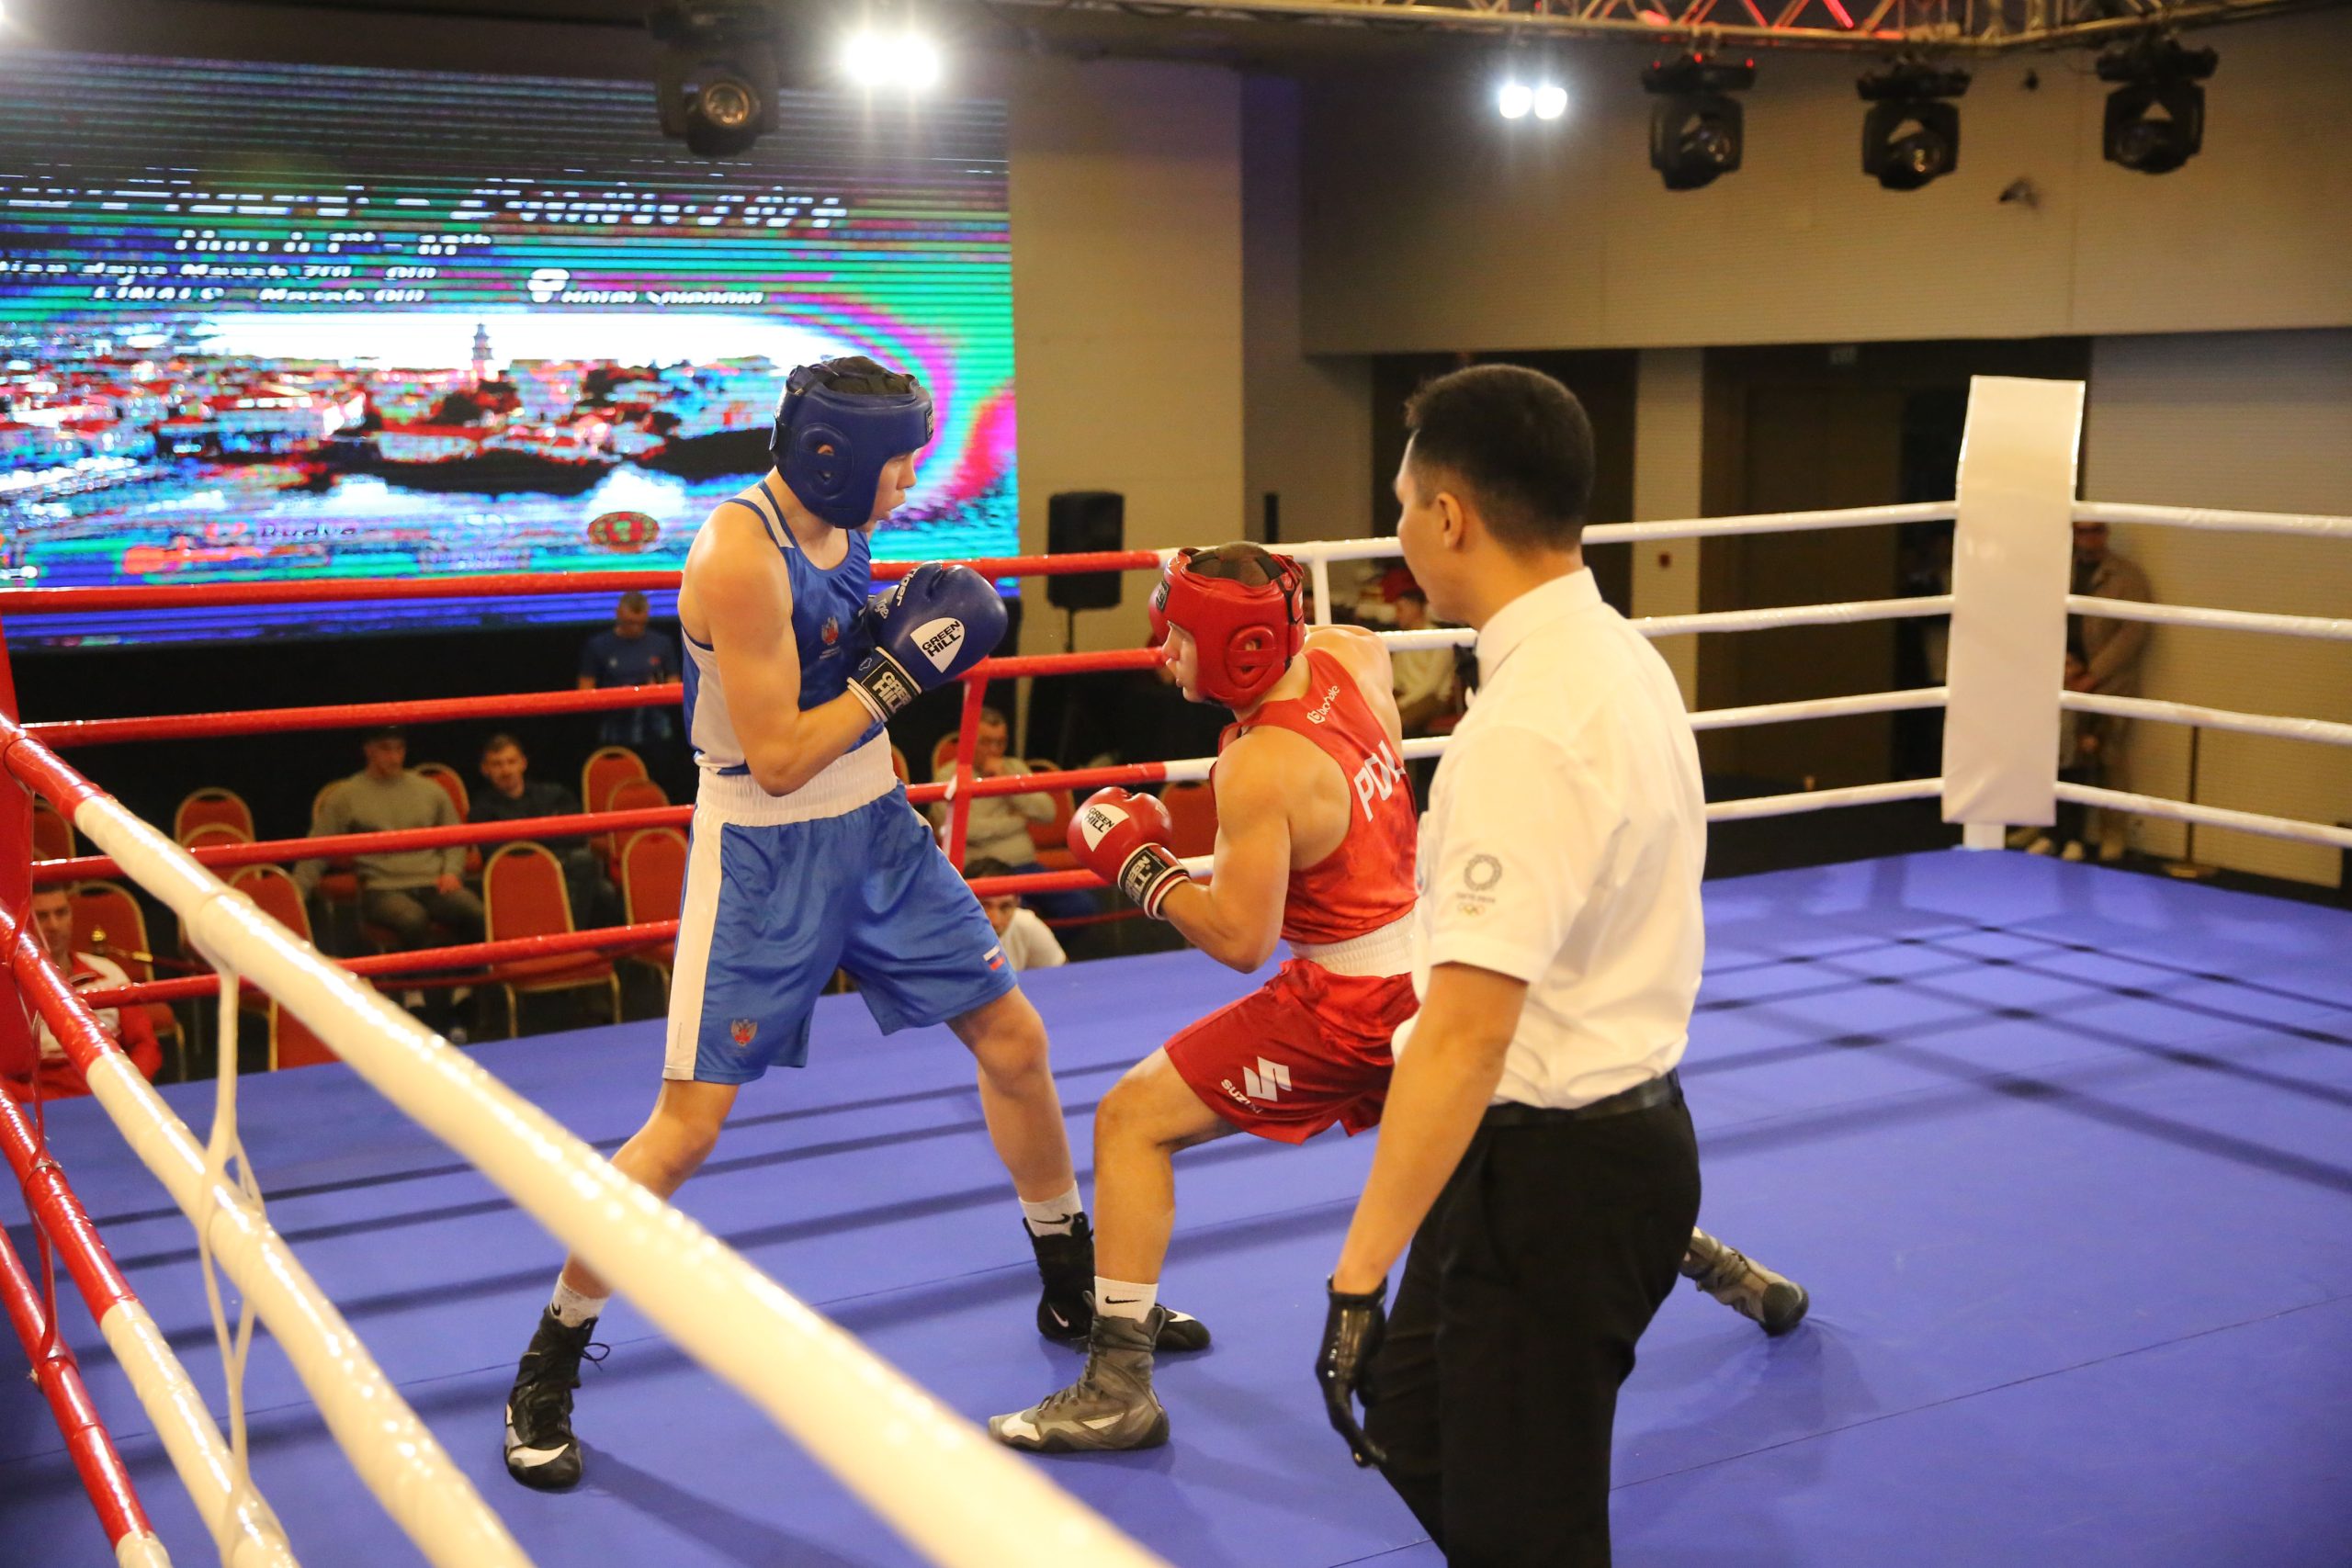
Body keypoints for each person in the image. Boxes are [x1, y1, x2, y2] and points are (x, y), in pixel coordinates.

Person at [500, 355, 1194, 1492]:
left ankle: (1070, 1288)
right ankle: (549, 1361)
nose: (910, 479)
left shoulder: (843, 522)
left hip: (875, 826)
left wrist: (882, 642)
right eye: (897, 460)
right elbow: (776, 757)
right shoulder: (737, 555)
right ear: (836, 455)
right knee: (686, 1128)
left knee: (1015, 1042)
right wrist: (898, 673)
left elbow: (835, 670)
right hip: (766, 853)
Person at [991, 543, 1800, 1459]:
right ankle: (1730, 1271)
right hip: (1430, 969)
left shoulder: (1258, 766)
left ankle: (1116, 1389)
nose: (1161, 654)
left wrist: (1141, 867)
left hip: (1342, 1005)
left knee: (1131, 1120)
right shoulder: (1352, 652)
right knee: (1514, 1154)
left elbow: (1239, 940)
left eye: (1176, 638)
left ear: (1236, 651)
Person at [1316, 365, 1733, 1566]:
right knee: (1411, 1416)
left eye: (1403, 507)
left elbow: (1465, 1034)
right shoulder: (1619, 657)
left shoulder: (1533, 723)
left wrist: (1356, 1276)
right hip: (1551, 1151)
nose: (1397, 533)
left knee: (1526, 1530)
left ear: (1450, 516)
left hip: (1559, 1170)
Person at [295, 726, 484, 952]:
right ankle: (420, 975)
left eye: (399, 749)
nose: (394, 757)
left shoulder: (430, 790)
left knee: (475, 912)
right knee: (413, 920)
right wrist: (294, 896)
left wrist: (452, 871)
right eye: (386, 749)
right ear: (369, 750)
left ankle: (471, 972)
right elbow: (317, 847)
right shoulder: (346, 796)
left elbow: (454, 835)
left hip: (432, 882)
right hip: (381, 888)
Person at [926, 706, 1091, 922]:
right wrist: (1018, 820)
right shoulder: (947, 776)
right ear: (968, 739)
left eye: (1000, 742)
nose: (994, 750)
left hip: (1025, 865)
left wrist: (1005, 782)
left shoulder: (1014, 767)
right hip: (983, 871)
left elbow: (1048, 813)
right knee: (1013, 918)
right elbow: (967, 830)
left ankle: (1040, 945)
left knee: (1082, 906)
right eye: (986, 742)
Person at [5, 886, 162, 1100]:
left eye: (61, 913)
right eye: (41, 917)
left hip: (115, 1094)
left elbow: (145, 1044)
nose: (54, 925)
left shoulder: (108, 972)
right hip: (43, 1104)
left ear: (71, 917)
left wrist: (128, 1092)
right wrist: (37, 1102)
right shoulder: (7, 988)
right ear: (23, 923)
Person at [2065, 518, 2153, 862]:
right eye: (2082, 531)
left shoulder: (2127, 576)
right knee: (2059, 755)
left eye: (2095, 530)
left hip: (2110, 682)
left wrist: (2094, 675)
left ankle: (2112, 833)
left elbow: (2132, 633)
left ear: (2106, 533)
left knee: (2109, 756)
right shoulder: (2060, 569)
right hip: (2066, 675)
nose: (2089, 538)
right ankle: (2051, 828)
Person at [469, 733, 624, 927]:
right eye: (497, 764)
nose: (506, 770)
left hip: (562, 866)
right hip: (517, 874)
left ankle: (572, 936)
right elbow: (495, 853)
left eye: (511, 762)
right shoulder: (481, 809)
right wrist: (547, 832)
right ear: (485, 769)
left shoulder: (553, 794)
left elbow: (577, 834)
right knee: (595, 881)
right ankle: (568, 936)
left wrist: (524, 836)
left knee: (600, 886)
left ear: (523, 763)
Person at [578, 590, 683, 753]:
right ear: (618, 614)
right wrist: (617, 696)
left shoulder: (662, 643)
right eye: (630, 622)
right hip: (614, 727)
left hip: (655, 727)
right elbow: (585, 689)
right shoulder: (598, 645)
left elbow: (674, 684)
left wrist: (656, 692)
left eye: (640, 623)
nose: (635, 628)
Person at [2029, 652, 2108, 862]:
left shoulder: (2089, 691)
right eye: (2062, 664)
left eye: (2070, 664)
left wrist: (2094, 737)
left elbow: (2101, 719)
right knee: (2049, 798)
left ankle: (2075, 841)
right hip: (2050, 753)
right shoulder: (2046, 689)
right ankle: (2049, 836)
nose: (2065, 670)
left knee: (2074, 800)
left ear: (2081, 666)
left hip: (2076, 755)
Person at [962, 856, 1068, 973]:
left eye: (1006, 907)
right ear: (963, 901)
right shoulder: (947, 933)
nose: (995, 920)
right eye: (983, 906)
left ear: (1017, 902)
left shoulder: (1026, 924)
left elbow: (1063, 975)